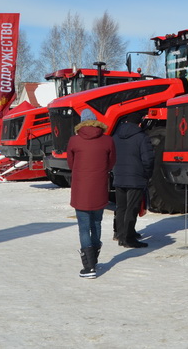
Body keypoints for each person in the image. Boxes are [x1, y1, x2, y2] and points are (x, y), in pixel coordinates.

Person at [66, 108, 115, 278]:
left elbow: (71, 164)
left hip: (80, 189)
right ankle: (93, 260)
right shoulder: (108, 140)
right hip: (99, 188)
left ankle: (89, 267)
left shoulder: (74, 140)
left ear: (82, 122)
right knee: (97, 223)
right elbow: (111, 163)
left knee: (84, 227)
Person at [111, 114, 153, 248]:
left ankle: (120, 235)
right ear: (139, 123)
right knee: (132, 208)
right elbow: (148, 160)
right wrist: (146, 174)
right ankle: (128, 238)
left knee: (121, 207)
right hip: (135, 177)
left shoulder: (115, 137)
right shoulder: (141, 137)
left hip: (119, 176)